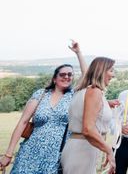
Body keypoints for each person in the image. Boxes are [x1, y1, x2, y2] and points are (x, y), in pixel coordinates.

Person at [0, 41, 87, 174]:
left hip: (55, 155)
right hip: (30, 152)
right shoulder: (41, 94)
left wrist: (78, 53)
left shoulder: (73, 95)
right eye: (62, 74)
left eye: (70, 74)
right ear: (54, 79)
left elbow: (87, 75)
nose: (67, 77)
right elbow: (23, 122)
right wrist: (8, 154)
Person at [60, 56, 117, 174]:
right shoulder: (94, 91)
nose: (113, 75)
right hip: (83, 150)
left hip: (82, 148)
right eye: (111, 70)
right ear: (101, 71)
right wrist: (109, 151)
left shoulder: (84, 91)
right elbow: (88, 129)